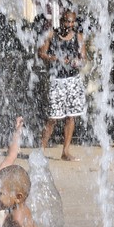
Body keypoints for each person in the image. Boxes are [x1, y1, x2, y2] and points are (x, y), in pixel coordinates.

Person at [39, 9, 86, 161]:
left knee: (71, 116)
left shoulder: (78, 36)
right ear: (62, 20)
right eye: (67, 21)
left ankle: (65, 151)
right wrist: (56, 59)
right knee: (53, 117)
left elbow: (83, 58)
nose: (70, 25)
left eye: (72, 22)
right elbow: (41, 53)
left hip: (73, 80)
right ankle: (41, 151)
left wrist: (77, 62)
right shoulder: (52, 34)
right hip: (57, 80)